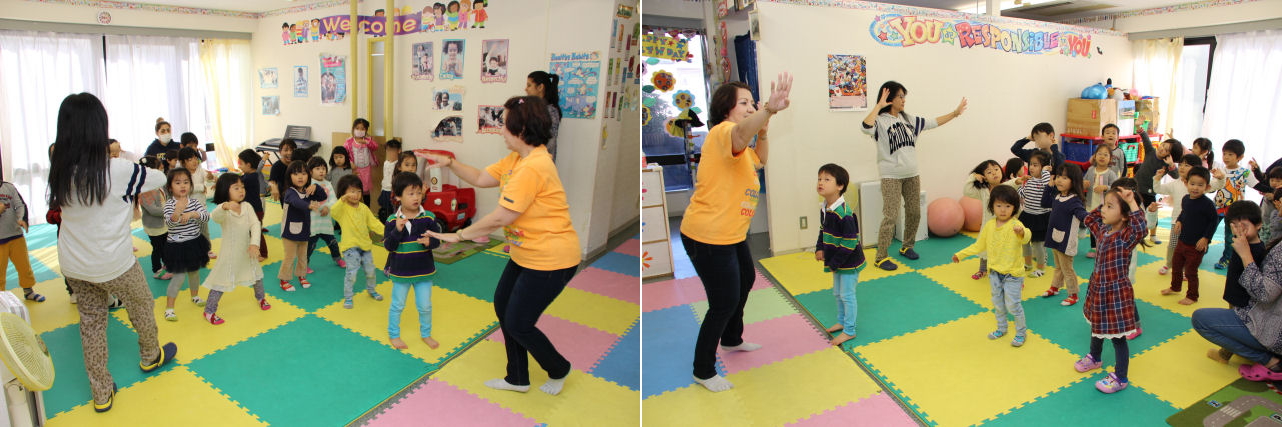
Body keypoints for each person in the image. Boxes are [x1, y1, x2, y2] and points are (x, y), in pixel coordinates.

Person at [423, 95, 585, 396]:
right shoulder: (517, 159)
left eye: (505, 124)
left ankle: (559, 368)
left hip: (552, 258)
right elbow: (481, 177)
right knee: (503, 306)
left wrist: (459, 235)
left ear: (521, 129)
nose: (500, 130)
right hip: (527, 253)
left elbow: (501, 217)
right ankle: (518, 378)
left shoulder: (534, 166)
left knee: (519, 323)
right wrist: (451, 163)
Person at [658, 73, 791, 393]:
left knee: (745, 281)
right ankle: (703, 370)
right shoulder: (721, 132)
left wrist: (764, 130)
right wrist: (768, 111)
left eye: (752, 103)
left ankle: (731, 339)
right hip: (707, 235)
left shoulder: (741, 146)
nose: (750, 107)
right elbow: (740, 134)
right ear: (726, 109)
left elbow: (760, 160)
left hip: (731, 234)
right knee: (723, 301)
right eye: (743, 103)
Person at [49, 93, 177, 412]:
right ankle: (151, 355)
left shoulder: (60, 169)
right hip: (114, 263)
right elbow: (160, 177)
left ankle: (101, 392)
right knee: (142, 303)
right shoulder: (117, 169)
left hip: (73, 263)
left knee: (91, 322)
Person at [861, 81, 968, 271]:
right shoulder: (880, 121)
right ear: (889, 98)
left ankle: (907, 246)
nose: (904, 100)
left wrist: (955, 113)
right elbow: (865, 127)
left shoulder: (909, 120)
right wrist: (878, 106)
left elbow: (933, 122)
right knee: (890, 215)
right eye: (900, 96)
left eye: (904, 97)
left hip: (912, 174)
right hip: (890, 176)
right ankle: (881, 256)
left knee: (914, 212)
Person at [1192, 216, 1282, 381]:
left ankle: (1270, 361)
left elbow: (1264, 293)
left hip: (1274, 332)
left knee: (1201, 320)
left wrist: (1245, 253)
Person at [1075, 187, 1147, 394]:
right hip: (1098, 289)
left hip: (1116, 294)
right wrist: (1107, 201)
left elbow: (1141, 229)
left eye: (1109, 206)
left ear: (1124, 216)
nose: (1103, 210)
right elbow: (1090, 218)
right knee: (1096, 325)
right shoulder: (1103, 231)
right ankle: (1095, 357)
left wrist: (1131, 202)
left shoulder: (1126, 237)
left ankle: (1121, 377)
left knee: (1118, 338)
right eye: (1104, 205)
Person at [954, 185, 1031, 347]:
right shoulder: (989, 225)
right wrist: (961, 254)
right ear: (992, 206)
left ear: (1014, 208)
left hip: (1013, 274)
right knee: (998, 304)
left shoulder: (1016, 225)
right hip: (994, 272)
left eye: (1008, 206)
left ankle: (1021, 333)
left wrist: (1022, 232)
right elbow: (978, 246)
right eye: (999, 205)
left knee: (1013, 305)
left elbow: (1026, 237)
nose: (1003, 210)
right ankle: (1002, 328)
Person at [201, 174, 271, 325]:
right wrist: (224, 207)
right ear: (225, 190)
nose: (241, 190)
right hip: (230, 254)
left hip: (248, 251)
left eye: (242, 187)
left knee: (256, 275)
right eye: (236, 188)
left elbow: (255, 225)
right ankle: (209, 311)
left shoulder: (247, 206)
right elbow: (215, 217)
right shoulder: (223, 209)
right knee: (221, 280)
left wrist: (255, 244)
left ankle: (261, 298)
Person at [383, 172, 442, 350]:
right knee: (397, 305)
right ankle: (394, 334)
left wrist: (430, 242)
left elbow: (437, 240)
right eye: (410, 193)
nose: (416, 197)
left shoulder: (428, 217)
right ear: (398, 196)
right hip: (401, 272)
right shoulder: (392, 220)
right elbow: (389, 246)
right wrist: (397, 230)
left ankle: (426, 334)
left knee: (425, 306)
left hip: (424, 271)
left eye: (418, 193)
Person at [814, 163, 862, 346]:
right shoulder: (825, 208)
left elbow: (850, 242)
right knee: (837, 293)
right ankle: (841, 322)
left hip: (849, 262)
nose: (821, 182)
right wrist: (819, 248)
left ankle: (849, 330)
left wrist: (834, 263)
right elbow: (823, 230)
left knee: (847, 295)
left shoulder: (844, 214)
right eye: (820, 179)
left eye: (827, 179)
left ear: (840, 186)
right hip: (837, 260)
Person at [161, 168, 210, 321]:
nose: (182, 185)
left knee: (194, 272)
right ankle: (169, 308)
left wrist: (193, 214)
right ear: (170, 187)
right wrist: (177, 213)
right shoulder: (169, 204)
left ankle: (195, 296)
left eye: (186, 182)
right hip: (177, 246)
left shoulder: (194, 202)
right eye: (177, 183)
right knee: (179, 277)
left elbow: (206, 217)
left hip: (194, 243)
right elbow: (169, 224)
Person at [1165, 166, 1219, 305]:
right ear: (1186, 183)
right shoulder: (1186, 199)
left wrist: (1206, 238)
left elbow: (1213, 221)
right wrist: (1179, 221)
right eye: (1192, 184)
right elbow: (1184, 213)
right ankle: (1175, 287)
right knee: (1176, 266)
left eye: (1200, 185)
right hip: (1182, 241)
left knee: (1190, 272)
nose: (1195, 188)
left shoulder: (1207, 204)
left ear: (1207, 187)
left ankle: (1192, 296)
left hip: (1196, 245)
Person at [1037, 164, 1089, 306]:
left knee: (1067, 269)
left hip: (1066, 241)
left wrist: (1090, 218)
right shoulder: (1058, 197)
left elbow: (1082, 214)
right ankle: (1055, 287)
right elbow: (1044, 202)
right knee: (1058, 266)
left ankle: (1073, 294)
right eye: (1058, 176)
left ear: (1074, 181)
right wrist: (1049, 185)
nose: (1059, 180)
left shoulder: (1074, 200)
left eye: (1065, 178)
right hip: (1055, 237)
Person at [330, 175, 385, 308]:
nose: (356, 195)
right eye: (352, 191)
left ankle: (371, 290)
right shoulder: (342, 209)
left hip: (365, 246)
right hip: (350, 247)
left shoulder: (364, 208)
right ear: (344, 193)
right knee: (352, 273)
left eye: (359, 191)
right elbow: (333, 212)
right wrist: (343, 199)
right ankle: (348, 297)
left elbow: (373, 223)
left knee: (370, 271)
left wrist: (387, 232)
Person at [962, 160, 1016, 280]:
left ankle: (1008, 273)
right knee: (984, 247)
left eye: (996, 169)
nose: (994, 173)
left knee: (1005, 250)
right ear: (984, 177)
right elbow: (966, 191)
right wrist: (973, 177)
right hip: (988, 226)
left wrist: (1018, 180)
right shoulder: (983, 191)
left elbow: (1013, 183)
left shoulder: (1005, 187)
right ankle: (982, 269)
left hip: (1004, 226)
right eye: (989, 172)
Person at [1211, 139, 1260, 270]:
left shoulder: (1245, 172)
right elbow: (1211, 188)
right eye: (1224, 154)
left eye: (1230, 154)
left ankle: (1226, 259)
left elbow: (1257, 185)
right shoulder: (1220, 171)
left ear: (1240, 157)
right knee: (1208, 230)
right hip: (1218, 207)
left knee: (1229, 237)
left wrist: (1272, 191)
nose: (1226, 157)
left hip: (1235, 211)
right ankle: (1200, 252)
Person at [279, 161, 327, 291]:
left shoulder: (308, 190)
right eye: (296, 174)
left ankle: (301, 275)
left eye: (304, 174)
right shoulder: (290, 192)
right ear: (289, 176)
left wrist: (316, 186)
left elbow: (323, 196)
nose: (300, 177)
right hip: (289, 232)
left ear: (308, 176)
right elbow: (296, 202)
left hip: (304, 230)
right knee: (290, 257)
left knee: (302, 256)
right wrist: (308, 205)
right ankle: (284, 279)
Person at [1133, 131, 1183, 245]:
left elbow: (1176, 176)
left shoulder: (1166, 165)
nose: (1162, 149)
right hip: (1136, 187)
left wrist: (1171, 164)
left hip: (1150, 191)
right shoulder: (1150, 151)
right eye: (1163, 145)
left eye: (1166, 150)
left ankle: (1153, 234)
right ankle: (1135, 232)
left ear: (1170, 155)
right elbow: (1146, 140)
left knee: (1152, 212)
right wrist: (1140, 129)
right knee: (1134, 211)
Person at [1157, 154, 1200, 275]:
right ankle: (1169, 263)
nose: (1182, 167)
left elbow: (1215, 185)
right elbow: (1158, 189)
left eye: (1186, 165)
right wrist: (1157, 179)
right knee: (1173, 245)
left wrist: (1221, 179)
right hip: (1176, 221)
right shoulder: (1175, 184)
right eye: (1180, 164)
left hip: (1193, 223)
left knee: (1189, 247)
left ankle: (1186, 268)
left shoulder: (1198, 185)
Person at [0, 177, 40, 302]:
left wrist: (22, 219)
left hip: (15, 235)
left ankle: (29, 291)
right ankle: (1, 299)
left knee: (24, 267)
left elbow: (20, 205)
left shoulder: (8, 187)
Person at [1223, 201, 1268, 310]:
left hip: (1245, 302)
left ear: (1258, 225)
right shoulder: (1238, 242)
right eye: (1235, 226)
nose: (1239, 231)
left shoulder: (1260, 250)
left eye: (1244, 226)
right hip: (1232, 294)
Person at [1016, 150, 1052, 278]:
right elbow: (1022, 194)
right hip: (1027, 215)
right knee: (1024, 241)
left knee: (1038, 245)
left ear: (1043, 167)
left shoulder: (1044, 182)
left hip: (1040, 218)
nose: (1031, 167)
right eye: (1030, 164)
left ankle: (1041, 268)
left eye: (1035, 165)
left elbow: (1047, 181)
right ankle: (1028, 264)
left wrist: (1046, 171)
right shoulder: (1030, 180)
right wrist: (1018, 184)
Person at [305, 157, 343, 271]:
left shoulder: (328, 184)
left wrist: (327, 207)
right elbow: (305, 200)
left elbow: (333, 200)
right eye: (318, 169)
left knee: (332, 242)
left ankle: (337, 258)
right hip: (313, 222)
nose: (321, 171)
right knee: (310, 245)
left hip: (326, 221)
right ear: (310, 171)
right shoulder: (308, 184)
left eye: (323, 168)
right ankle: (304, 264)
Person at [138, 158, 172, 280]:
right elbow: (152, 210)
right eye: (160, 168)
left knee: (165, 246)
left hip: (163, 223)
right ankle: (157, 269)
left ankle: (167, 265)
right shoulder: (145, 190)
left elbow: (167, 197)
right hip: (154, 226)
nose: (162, 170)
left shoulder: (159, 185)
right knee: (158, 248)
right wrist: (170, 211)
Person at [1084, 145, 1119, 258]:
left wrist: (1105, 187)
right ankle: (1094, 248)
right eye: (1099, 154)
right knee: (1093, 227)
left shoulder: (1110, 173)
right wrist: (1084, 184)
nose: (1102, 157)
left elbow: (1116, 188)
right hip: (1091, 205)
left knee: (1105, 228)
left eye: (1105, 155)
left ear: (1110, 158)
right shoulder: (1090, 170)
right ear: (1095, 156)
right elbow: (1085, 182)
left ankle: (1105, 247)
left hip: (1105, 207)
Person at [237, 149, 268, 260]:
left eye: (241, 163)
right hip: (250, 209)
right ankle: (252, 249)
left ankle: (263, 253)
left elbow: (238, 182)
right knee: (249, 231)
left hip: (255, 210)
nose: (239, 166)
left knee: (256, 232)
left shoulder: (251, 177)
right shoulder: (247, 175)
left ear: (248, 165)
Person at [526, 71, 562, 161]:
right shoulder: (534, 109)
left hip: (541, 162)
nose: (526, 89)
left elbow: (549, 142)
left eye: (529, 85)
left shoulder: (550, 111)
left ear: (540, 87)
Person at [344, 119, 378, 205]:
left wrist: (366, 142)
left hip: (366, 169)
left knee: (366, 190)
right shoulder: (348, 142)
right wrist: (350, 162)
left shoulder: (368, 140)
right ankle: (355, 206)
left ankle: (367, 207)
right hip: (355, 170)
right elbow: (345, 154)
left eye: (362, 129)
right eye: (357, 128)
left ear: (366, 130)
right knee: (355, 188)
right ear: (353, 129)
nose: (359, 130)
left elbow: (375, 147)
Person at [379, 139, 402, 219]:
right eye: (388, 150)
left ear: (399, 151)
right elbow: (385, 177)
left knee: (393, 210)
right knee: (384, 210)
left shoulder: (399, 164)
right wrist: (382, 189)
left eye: (392, 150)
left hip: (393, 191)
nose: (390, 153)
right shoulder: (386, 163)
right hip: (384, 190)